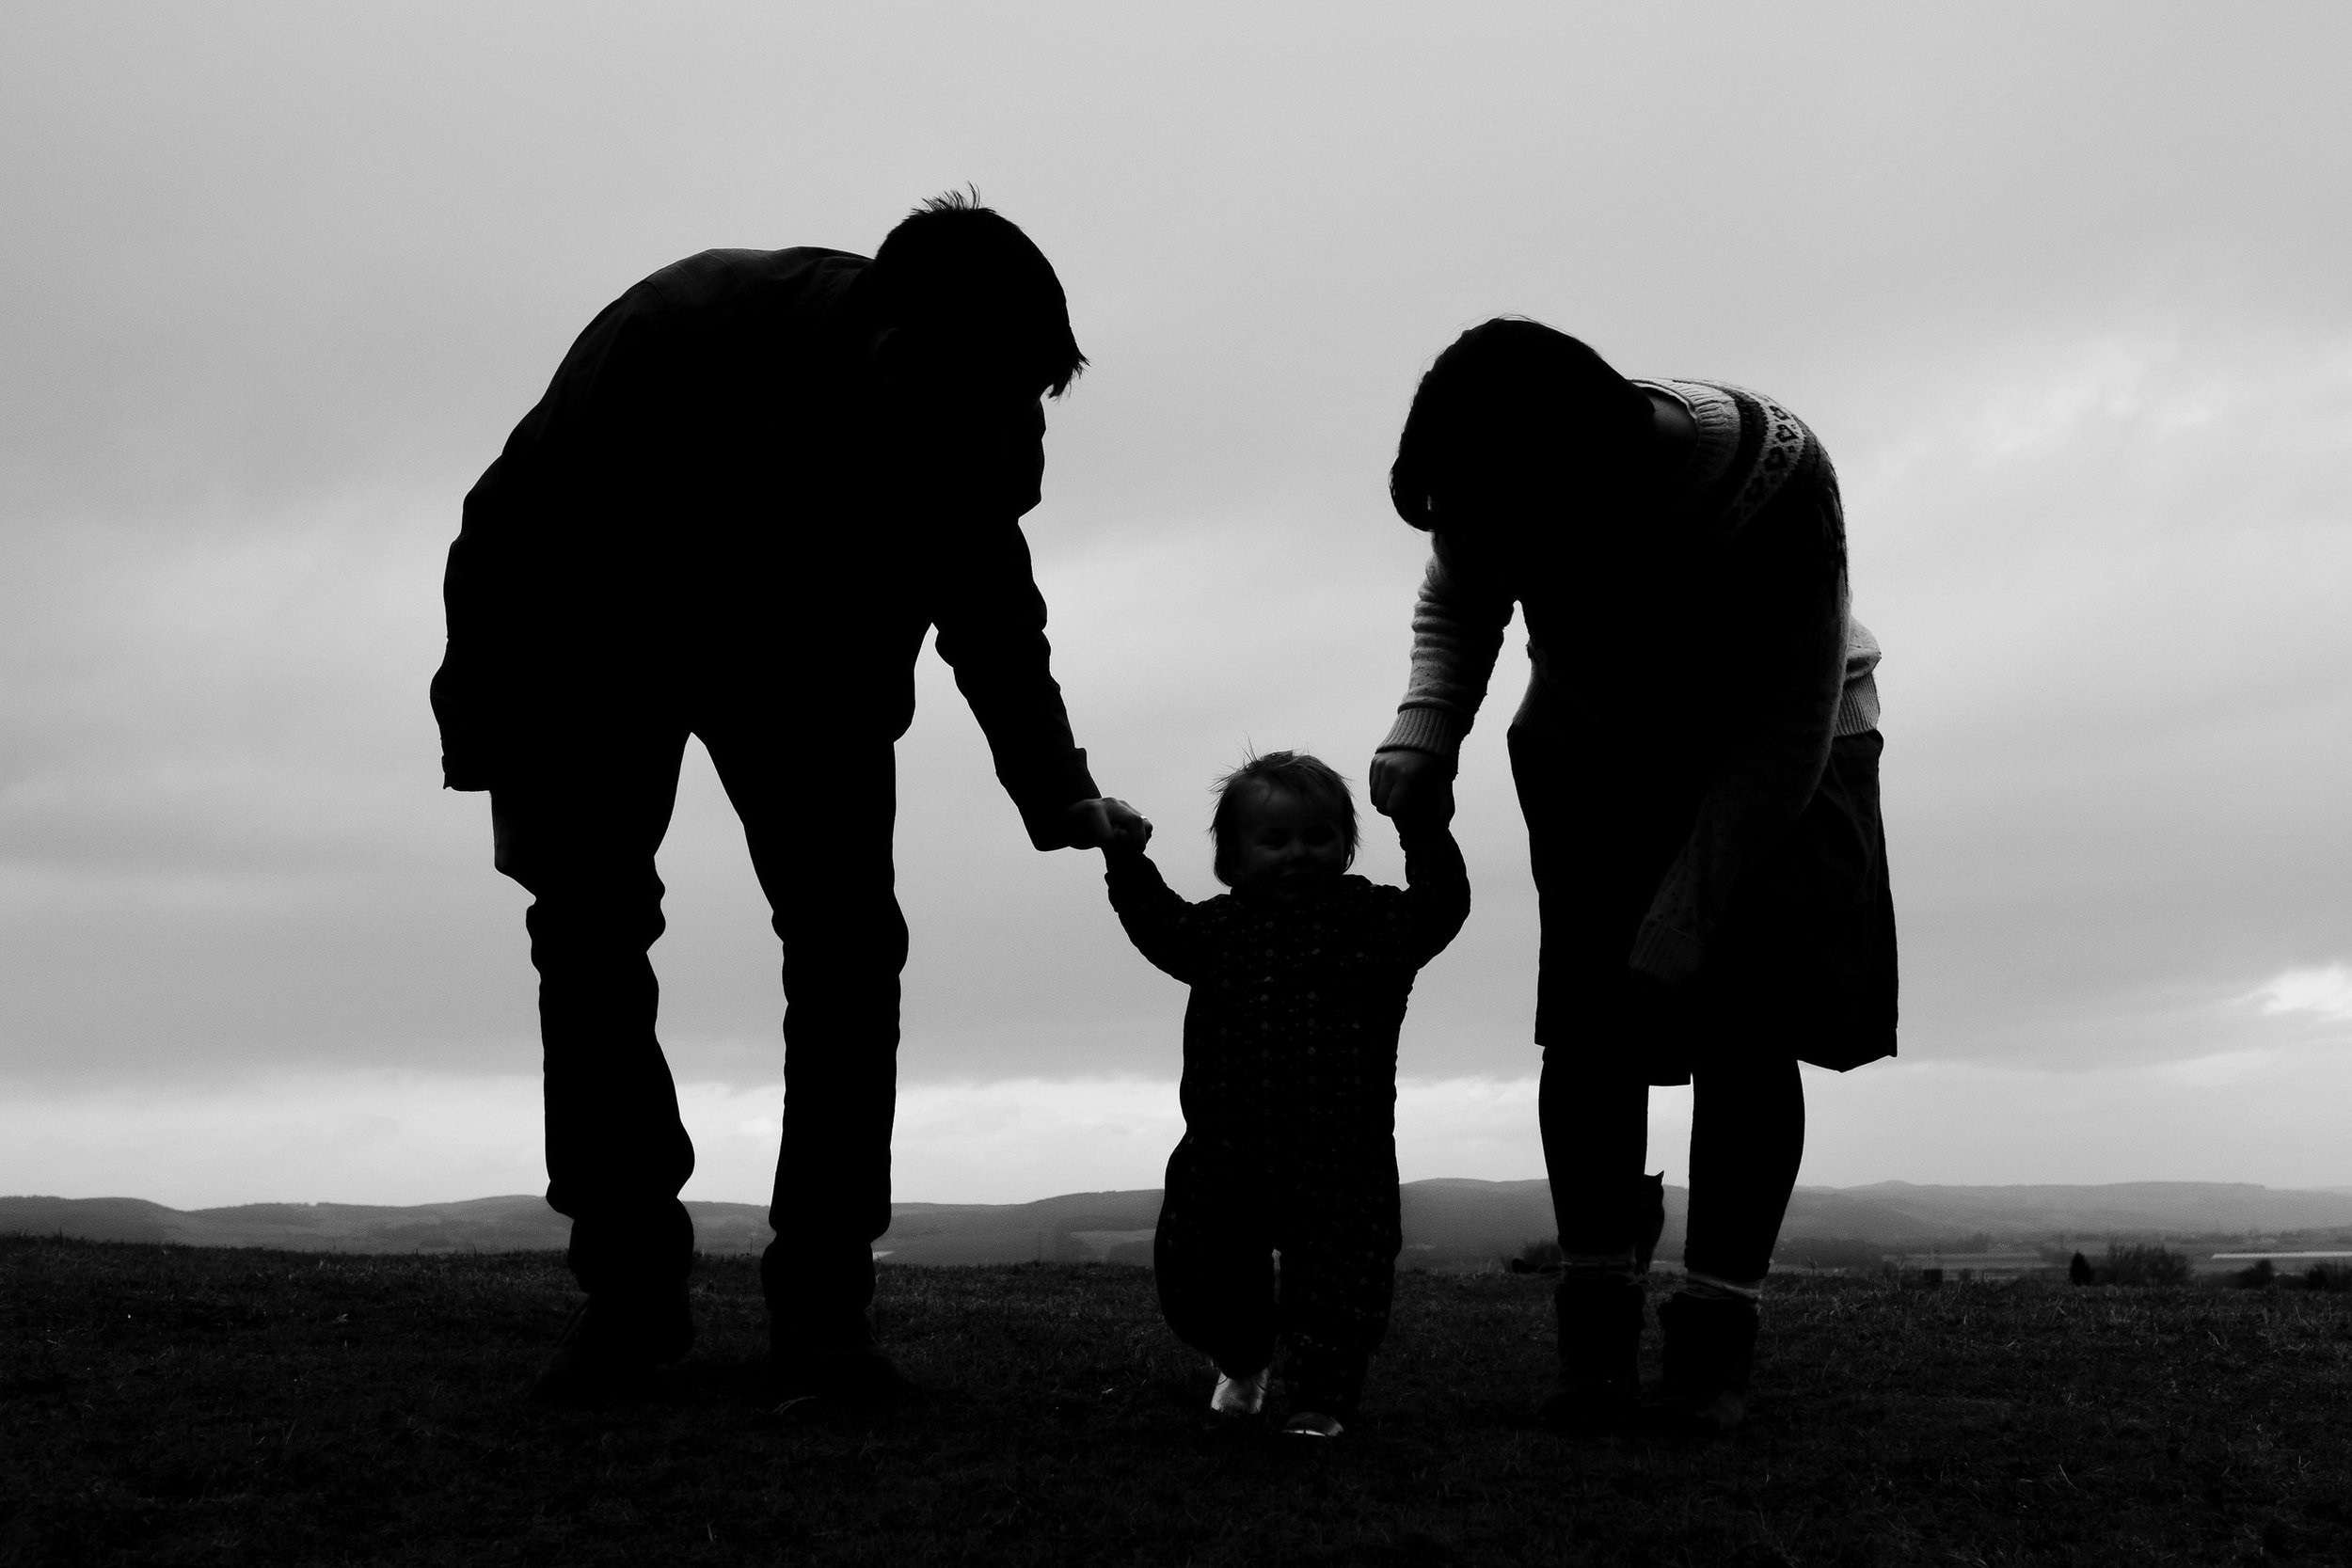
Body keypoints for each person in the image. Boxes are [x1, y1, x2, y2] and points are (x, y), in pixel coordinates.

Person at [430, 193, 1148, 1402]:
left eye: (1026, 396)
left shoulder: (982, 414)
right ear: (895, 339)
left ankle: (823, 1305)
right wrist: (495, 747)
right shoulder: (676, 332)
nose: (1006, 423)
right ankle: (630, 1295)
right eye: (986, 389)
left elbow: (990, 609)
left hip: (816, 669)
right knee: (590, 928)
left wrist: (1054, 785)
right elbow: (509, 528)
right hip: (603, 634)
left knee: (850, 946)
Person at [1368, 319, 1896, 1436]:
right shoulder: (1494, 476)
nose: (1492, 548)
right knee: (1592, 1024)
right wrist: (1425, 736)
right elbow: (1459, 598)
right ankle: (1594, 1333)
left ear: (1582, 486)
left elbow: (1787, 724)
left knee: (1747, 1024)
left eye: (1512, 531)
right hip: (1593, 740)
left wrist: (1696, 896)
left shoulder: (1776, 475)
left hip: (1785, 748)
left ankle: (1714, 1346)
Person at [1102, 752, 1470, 1436]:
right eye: (1274, 840)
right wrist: (1126, 859)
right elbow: (1157, 921)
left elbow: (1442, 905)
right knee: (1199, 1270)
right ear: (1232, 860)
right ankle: (1241, 1359)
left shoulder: (1375, 922)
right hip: (1224, 1152)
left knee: (1340, 1284)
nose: (1298, 852)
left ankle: (1319, 1402)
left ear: (1347, 843)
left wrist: (1422, 826)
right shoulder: (1215, 932)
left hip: (1343, 1156)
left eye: (1318, 836)